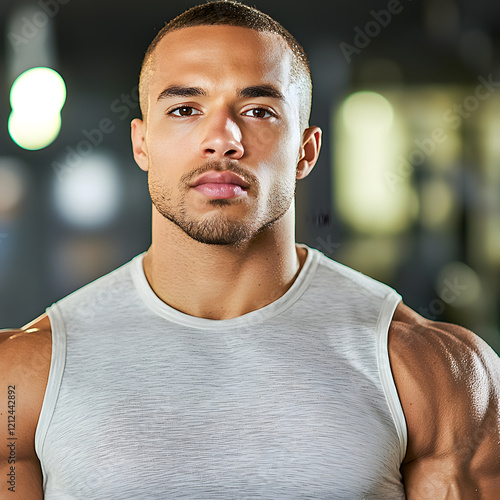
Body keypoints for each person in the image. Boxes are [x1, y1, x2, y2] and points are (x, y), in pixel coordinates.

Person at [1, 1, 499, 498]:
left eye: (258, 110)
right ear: (142, 144)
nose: (222, 139)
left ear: (306, 151)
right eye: (185, 109)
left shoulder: (432, 371)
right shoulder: (23, 377)